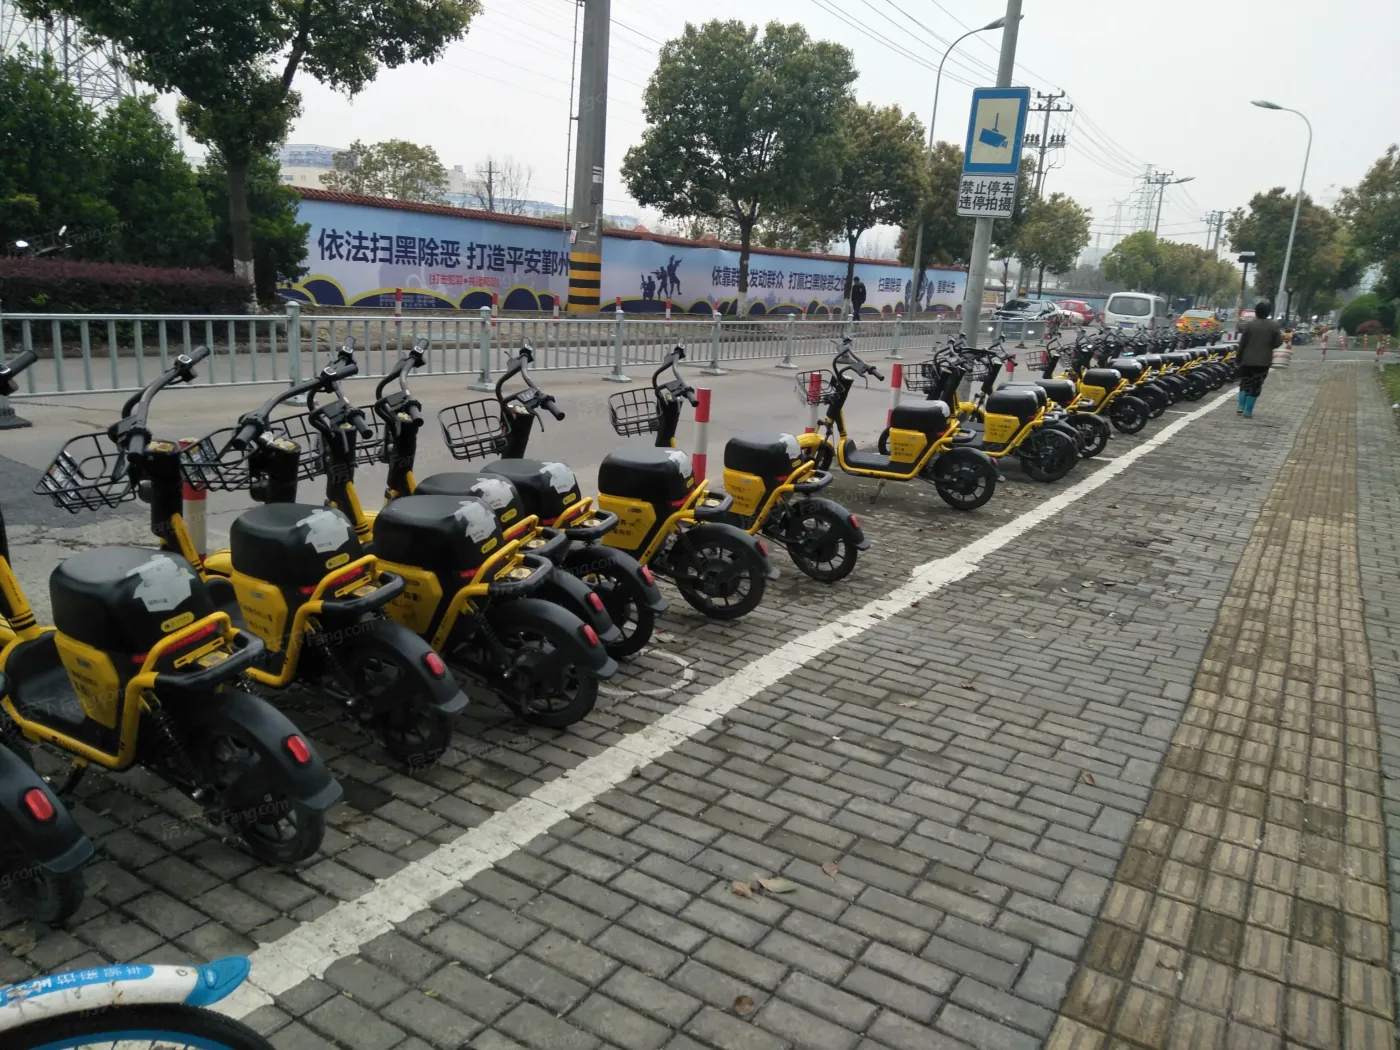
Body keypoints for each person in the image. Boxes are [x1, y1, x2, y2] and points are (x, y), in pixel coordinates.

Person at [1235, 299, 1282, 417]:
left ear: (1256, 312)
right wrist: (1268, 346)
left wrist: (1238, 358)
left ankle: (1240, 406)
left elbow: (1242, 344)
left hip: (1247, 360)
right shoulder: (1273, 326)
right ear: (1268, 313)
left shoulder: (1249, 325)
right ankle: (1248, 411)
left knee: (1245, 382)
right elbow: (1278, 342)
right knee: (1256, 385)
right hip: (1263, 362)